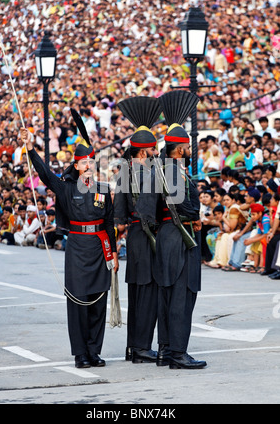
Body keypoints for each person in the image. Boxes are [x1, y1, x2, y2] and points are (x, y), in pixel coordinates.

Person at [20, 109, 118, 369]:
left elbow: (109, 223)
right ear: (76, 166)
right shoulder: (66, 189)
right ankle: (80, 354)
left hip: (99, 249)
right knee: (78, 303)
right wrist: (30, 149)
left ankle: (94, 351)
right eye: (84, 163)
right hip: (76, 248)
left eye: (92, 163)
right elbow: (45, 175)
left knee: (98, 301)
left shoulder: (103, 190)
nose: (89, 167)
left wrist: (115, 253)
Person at [136, 90, 207, 369]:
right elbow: (187, 208)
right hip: (179, 238)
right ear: (180, 149)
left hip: (167, 237)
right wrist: (196, 217)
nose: (191, 150)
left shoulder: (159, 170)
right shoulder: (174, 171)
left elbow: (144, 211)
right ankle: (178, 353)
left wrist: (161, 228)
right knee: (181, 296)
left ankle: (166, 349)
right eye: (188, 146)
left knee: (167, 296)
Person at [114, 96, 161, 364]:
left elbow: (118, 215)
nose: (156, 154)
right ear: (143, 152)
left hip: (133, 237)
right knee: (147, 292)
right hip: (145, 236)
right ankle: (142, 347)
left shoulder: (123, 171)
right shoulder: (147, 173)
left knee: (137, 292)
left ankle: (135, 346)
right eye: (153, 150)